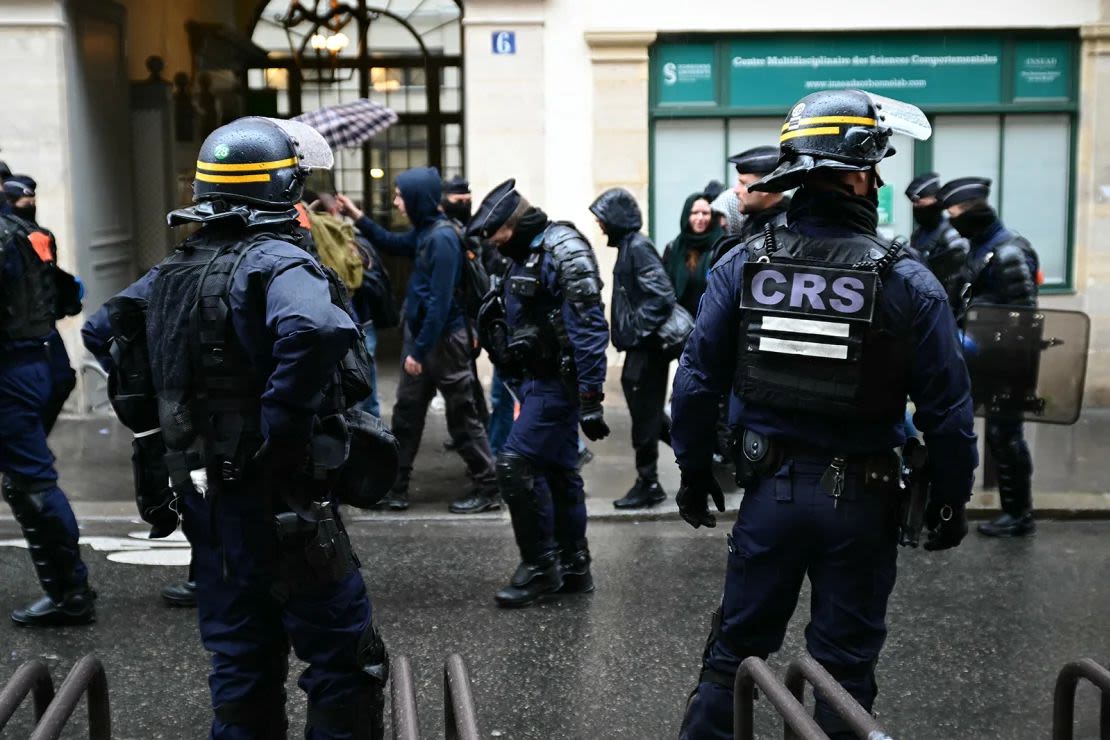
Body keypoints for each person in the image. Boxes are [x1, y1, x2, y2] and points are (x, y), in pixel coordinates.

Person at [672, 89, 978, 739]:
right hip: (863, 506)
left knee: (734, 660)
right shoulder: (907, 279)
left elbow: (696, 382)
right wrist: (951, 501)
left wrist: (693, 471)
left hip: (770, 499)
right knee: (842, 673)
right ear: (860, 175)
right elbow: (948, 412)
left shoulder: (743, 264)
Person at [83, 117, 389, 738]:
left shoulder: (172, 271)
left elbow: (101, 330)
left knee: (241, 663)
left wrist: (157, 432)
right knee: (345, 663)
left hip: (210, 500)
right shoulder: (279, 261)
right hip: (288, 504)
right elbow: (317, 330)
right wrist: (279, 432)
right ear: (281, 188)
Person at [469, 178, 610, 607]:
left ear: (512, 225)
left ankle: (540, 567)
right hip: (534, 381)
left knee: (513, 465)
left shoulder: (561, 250)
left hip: (556, 383)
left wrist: (591, 398)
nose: (491, 241)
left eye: (494, 232)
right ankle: (574, 566)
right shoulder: (522, 254)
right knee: (559, 474)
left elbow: (588, 327)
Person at [337, 170, 499, 514]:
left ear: (417, 199)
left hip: (443, 342)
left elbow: (440, 303)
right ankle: (395, 488)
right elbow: (392, 243)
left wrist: (419, 351)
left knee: (462, 416)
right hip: (426, 340)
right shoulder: (427, 232)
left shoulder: (442, 239)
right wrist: (357, 216)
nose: (396, 201)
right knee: (407, 416)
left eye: (400, 195)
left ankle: (489, 487)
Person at [0, 186, 94, 627]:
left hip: (13, 371)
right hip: (33, 362)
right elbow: (67, 295)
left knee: (31, 484)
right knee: (27, 481)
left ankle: (70, 594)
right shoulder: (24, 232)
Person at [939, 176, 1040, 538]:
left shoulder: (1009, 251)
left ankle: (1019, 514)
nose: (950, 220)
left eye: (953, 213)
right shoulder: (982, 246)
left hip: (1007, 361)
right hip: (982, 356)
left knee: (1005, 435)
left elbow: (1023, 319)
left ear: (971, 211)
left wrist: (978, 342)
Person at [589, 187, 674, 509]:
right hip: (641, 348)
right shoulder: (629, 247)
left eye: (603, 220)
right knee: (649, 416)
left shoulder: (637, 247)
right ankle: (704, 459)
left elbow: (661, 295)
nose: (600, 226)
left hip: (647, 348)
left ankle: (649, 483)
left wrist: (636, 330)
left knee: (645, 418)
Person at [2, 176, 80, 434]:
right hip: (16, 334)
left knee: (59, 381)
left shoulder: (36, 236)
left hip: (38, 327)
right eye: (25, 201)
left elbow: (46, 277)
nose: (30, 204)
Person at [905, 172, 969, 307]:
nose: (917, 207)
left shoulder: (951, 233)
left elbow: (959, 276)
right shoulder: (918, 234)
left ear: (935, 200)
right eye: (914, 204)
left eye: (921, 202)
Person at [664, 192, 723, 317]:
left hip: (712, 322)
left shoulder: (721, 246)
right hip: (679, 328)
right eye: (695, 213)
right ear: (686, 215)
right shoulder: (674, 248)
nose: (700, 218)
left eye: (705, 213)